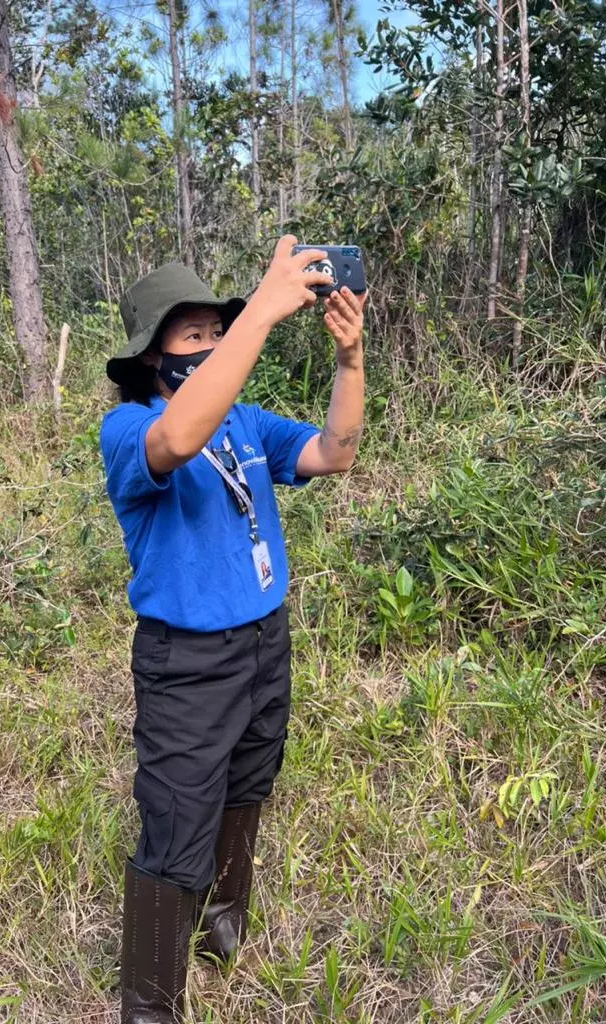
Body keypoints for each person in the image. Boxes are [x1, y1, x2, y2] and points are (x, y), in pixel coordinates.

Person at [100, 235, 367, 1024]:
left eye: (219, 329)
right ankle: (149, 1005)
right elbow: (178, 440)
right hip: (186, 661)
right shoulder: (130, 432)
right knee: (177, 825)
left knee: (248, 786)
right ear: (153, 358)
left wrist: (349, 363)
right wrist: (261, 312)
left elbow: (333, 453)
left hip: (263, 641)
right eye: (193, 336)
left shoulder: (245, 422)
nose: (212, 344)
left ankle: (223, 931)